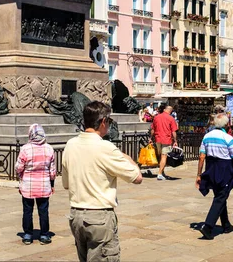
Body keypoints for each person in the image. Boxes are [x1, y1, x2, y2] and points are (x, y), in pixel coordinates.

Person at [62, 101, 142, 262]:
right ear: (103, 121)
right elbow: (137, 177)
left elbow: (66, 184)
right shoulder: (106, 147)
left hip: (76, 215)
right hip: (99, 215)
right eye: (110, 121)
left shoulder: (70, 145)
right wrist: (126, 157)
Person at [15, 124, 56, 245]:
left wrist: (21, 175)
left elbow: (18, 167)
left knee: (27, 210)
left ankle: (28, 234)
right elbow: (52, 170)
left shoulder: (25, 149)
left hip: (28, 185)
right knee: (43, 211)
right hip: (44, 185)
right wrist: (52, 183)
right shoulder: (49, 149)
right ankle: (44, 234)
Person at [196, 113, 233, 239]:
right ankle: (208, 226)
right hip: (225, 169)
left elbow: (201, 157)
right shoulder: (227, 138)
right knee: (221, 197)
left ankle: (226, 225)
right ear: (227, 124)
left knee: (220, 195)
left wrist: (199, 174)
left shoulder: (206, 136)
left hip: (211, 169)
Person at [150, 105, 178, 180]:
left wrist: (150, 138)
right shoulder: (171, 118)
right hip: (166, 139)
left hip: (158, 139)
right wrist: (175, 141)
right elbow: (173, 131)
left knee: (160, 156)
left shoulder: (156, 117)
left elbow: (153, 129)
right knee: (164, 156)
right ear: (169, 110)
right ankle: (159, 174)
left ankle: (162, 172)